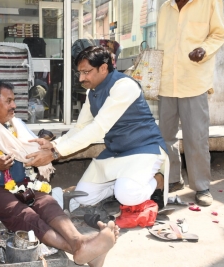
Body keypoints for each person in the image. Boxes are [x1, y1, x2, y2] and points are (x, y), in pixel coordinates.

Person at [0, 78, 118, 267]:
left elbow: (34, 151)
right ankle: (81, 248)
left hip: (22, 184)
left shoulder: (16, 125)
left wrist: (43, 148)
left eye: (13, 100)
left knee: (48, 202)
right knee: (24, 214)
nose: (14, 105)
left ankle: (80, 243)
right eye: (8, 101)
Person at [26, 46, 169, 211]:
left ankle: (157, 180)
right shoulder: (92, 92)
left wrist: (55, 153)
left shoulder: (124, 86)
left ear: (103, 68)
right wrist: (54, 145)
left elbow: (98, 128)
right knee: (84, 198)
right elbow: (81, 127)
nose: (81, 78)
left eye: (86, 72)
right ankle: (120, 185)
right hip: (116, 153)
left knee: (127, 196)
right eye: (79, 73)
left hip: (144, 150)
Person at [157, 0, 224, 206]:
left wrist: (204, 49)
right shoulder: (164, 7)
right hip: (166, 81)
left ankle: (202, 186)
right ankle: (172, 179)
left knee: (196, 136)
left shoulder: (209, 3)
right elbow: (162, 44)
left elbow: (218, 34)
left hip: (194, 81)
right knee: (165, 137)